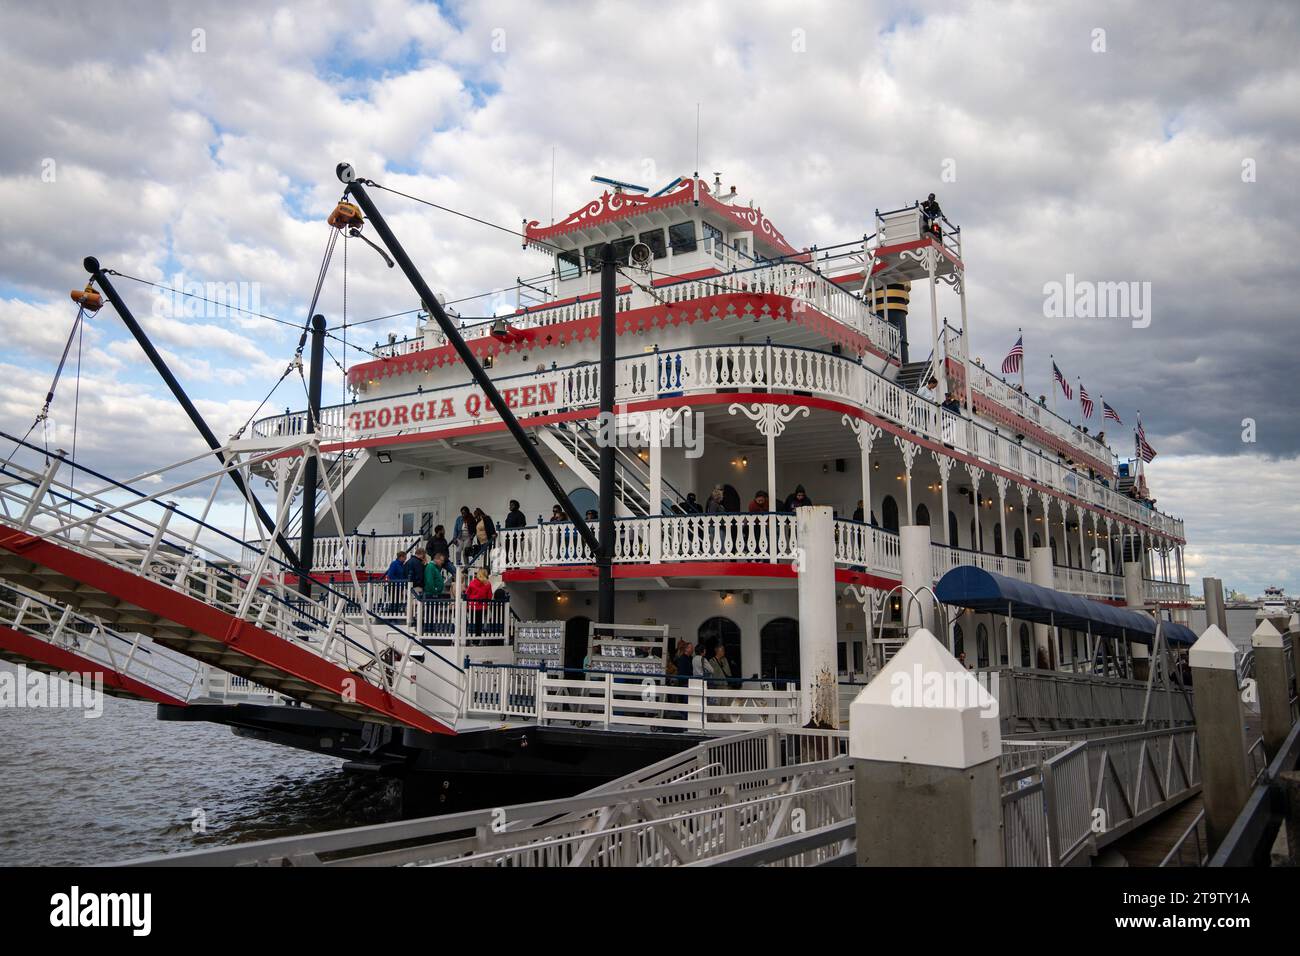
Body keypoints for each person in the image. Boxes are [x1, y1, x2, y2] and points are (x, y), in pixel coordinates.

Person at [465, 567, 493, 638]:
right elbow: (489, 597)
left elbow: (467, 594)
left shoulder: (472, 582)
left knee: (471, 622)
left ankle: (470, 637)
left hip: (472, 606)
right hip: (482, 607)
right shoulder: (488, 584)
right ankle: (477, 638)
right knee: (479, 623)